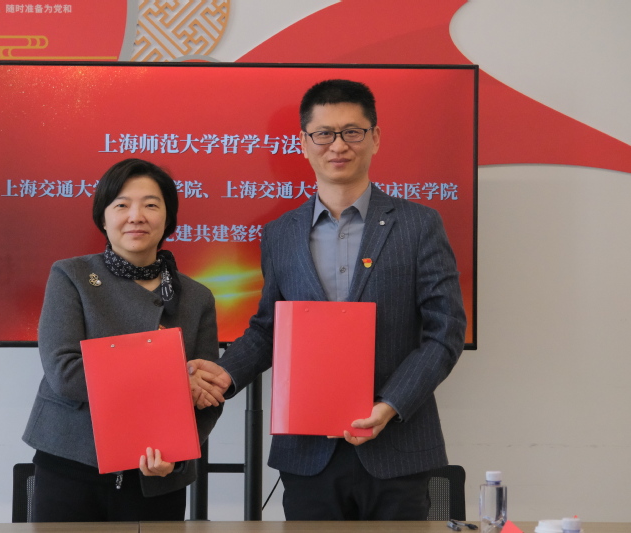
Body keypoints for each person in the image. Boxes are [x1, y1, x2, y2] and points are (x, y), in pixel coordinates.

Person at [189, 79, 467, 520]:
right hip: (307, 452)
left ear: (375, 137)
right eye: (323, 134)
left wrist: (389, 405)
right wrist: (225, 374)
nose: (338, 145)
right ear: (304, 143)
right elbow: (268, 329)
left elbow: (445, 330)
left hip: (396, 446)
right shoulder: (279, 234)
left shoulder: (419, 225)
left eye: (352, 132)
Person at [23, 158, 222, 522]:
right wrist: (173, 377)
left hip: (156, 479)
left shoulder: (196, 298)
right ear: (103, 217)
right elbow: (65, 373)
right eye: (122, 205)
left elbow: (207, 395)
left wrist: (177, 457)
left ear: (168, 217)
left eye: (151, 205)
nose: (136, 216)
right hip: (71, 467)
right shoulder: (72, 276)